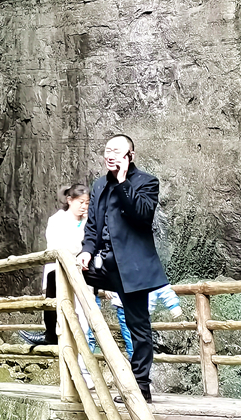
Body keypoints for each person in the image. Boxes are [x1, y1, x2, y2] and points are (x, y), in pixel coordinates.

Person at [79, 134, 168, 404]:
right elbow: (93, 226)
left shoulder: (146, 182)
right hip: (104, 266)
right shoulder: (98, 186)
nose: (111, 155)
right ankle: (52, 334)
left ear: (130, 155)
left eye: (117, 151)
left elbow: (142, 216)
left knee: (138, 326)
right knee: (63, 279)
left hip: (132, 269)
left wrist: (122, 183)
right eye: (108, 150)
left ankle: (141, 386)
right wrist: (86, 250)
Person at [22, 182, 90, 346]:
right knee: (53, 303)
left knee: (80, 311)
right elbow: (59, 246)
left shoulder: (88, 221)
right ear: (69, 200)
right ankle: (50, 335)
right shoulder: (57, 220)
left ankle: (72, 342)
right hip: (58, 268)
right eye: (81, 202)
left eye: (87, 203)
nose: (84, 206)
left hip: (82, 272)